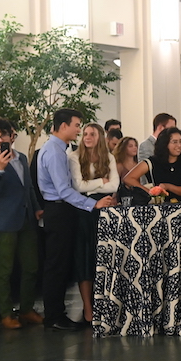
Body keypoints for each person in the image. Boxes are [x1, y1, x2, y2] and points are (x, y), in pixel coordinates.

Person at [37, 109, 116, 330]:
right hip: (59, 210)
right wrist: (93, 204)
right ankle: (53, 316)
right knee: (57, 265)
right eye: (76, 125)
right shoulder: (54, 152)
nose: (79, 130)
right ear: (63, 126)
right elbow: (64, 190)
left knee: (61, 264)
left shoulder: (59, 149)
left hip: (63, 210)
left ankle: (56, 314)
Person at [0, 119, 44, 330]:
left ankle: (26, 308)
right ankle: (6, 313)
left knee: (31, 266)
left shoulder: (22, 157)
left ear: (12, 135)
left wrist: (36, 208)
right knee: (4, 269)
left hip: (26, 219)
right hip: (3, 222)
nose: (0, 141)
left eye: (3, 136)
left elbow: (29, 188)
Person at [68, 123, 119, 325]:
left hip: (105, 212)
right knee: (85, 261)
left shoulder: (109, 157)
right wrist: (100, 182)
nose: (87, 137)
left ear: (100, 137)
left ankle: (104, 305)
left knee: (103, 260)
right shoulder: (73, 157)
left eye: (92, 134)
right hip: (84, 213)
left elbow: (115, 184)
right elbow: (78, 186)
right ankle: (88, 308)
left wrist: (96, 186)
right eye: (85, 134)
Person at [122, 127, 181, 200]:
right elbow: (128, 179)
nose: (179, 145)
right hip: (157, 206)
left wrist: (168, 186)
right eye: (174, 142)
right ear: (165, 144)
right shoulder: (152, 162)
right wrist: (150, 192)